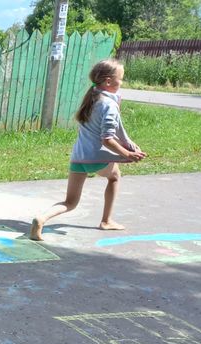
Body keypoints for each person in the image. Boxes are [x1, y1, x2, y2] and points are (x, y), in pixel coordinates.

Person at [30, 59, 146, 242]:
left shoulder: (92, 99)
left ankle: (42, 219)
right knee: (114, 176)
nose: (122, 83)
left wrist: (128, 144)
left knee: (70, 202)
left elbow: (110, 134)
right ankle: (106, 221)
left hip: (78, 157)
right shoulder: (109, 105)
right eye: (121, 79)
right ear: (108, 81)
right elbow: (107, 139)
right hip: (96, 158)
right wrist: (127, 154)